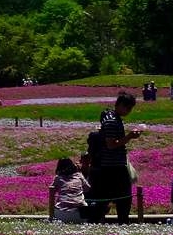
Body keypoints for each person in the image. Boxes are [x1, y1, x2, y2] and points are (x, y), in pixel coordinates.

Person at [89, 92, 141, 224]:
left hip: (110, 166)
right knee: (123, 198)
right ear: (120, 105)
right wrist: (129, 137)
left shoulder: (113, 118)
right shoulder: (112, 121)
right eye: (128, 108)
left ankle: (100, 222)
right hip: (113, 166)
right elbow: (111, 145)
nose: (129, 111)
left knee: (107, 197)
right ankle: (122, 223)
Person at [50, 158, 89, 223]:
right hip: (81, 215)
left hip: (62, 215)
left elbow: (52, 189)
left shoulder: (58, 178)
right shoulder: (79, 176)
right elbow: (87, 188)